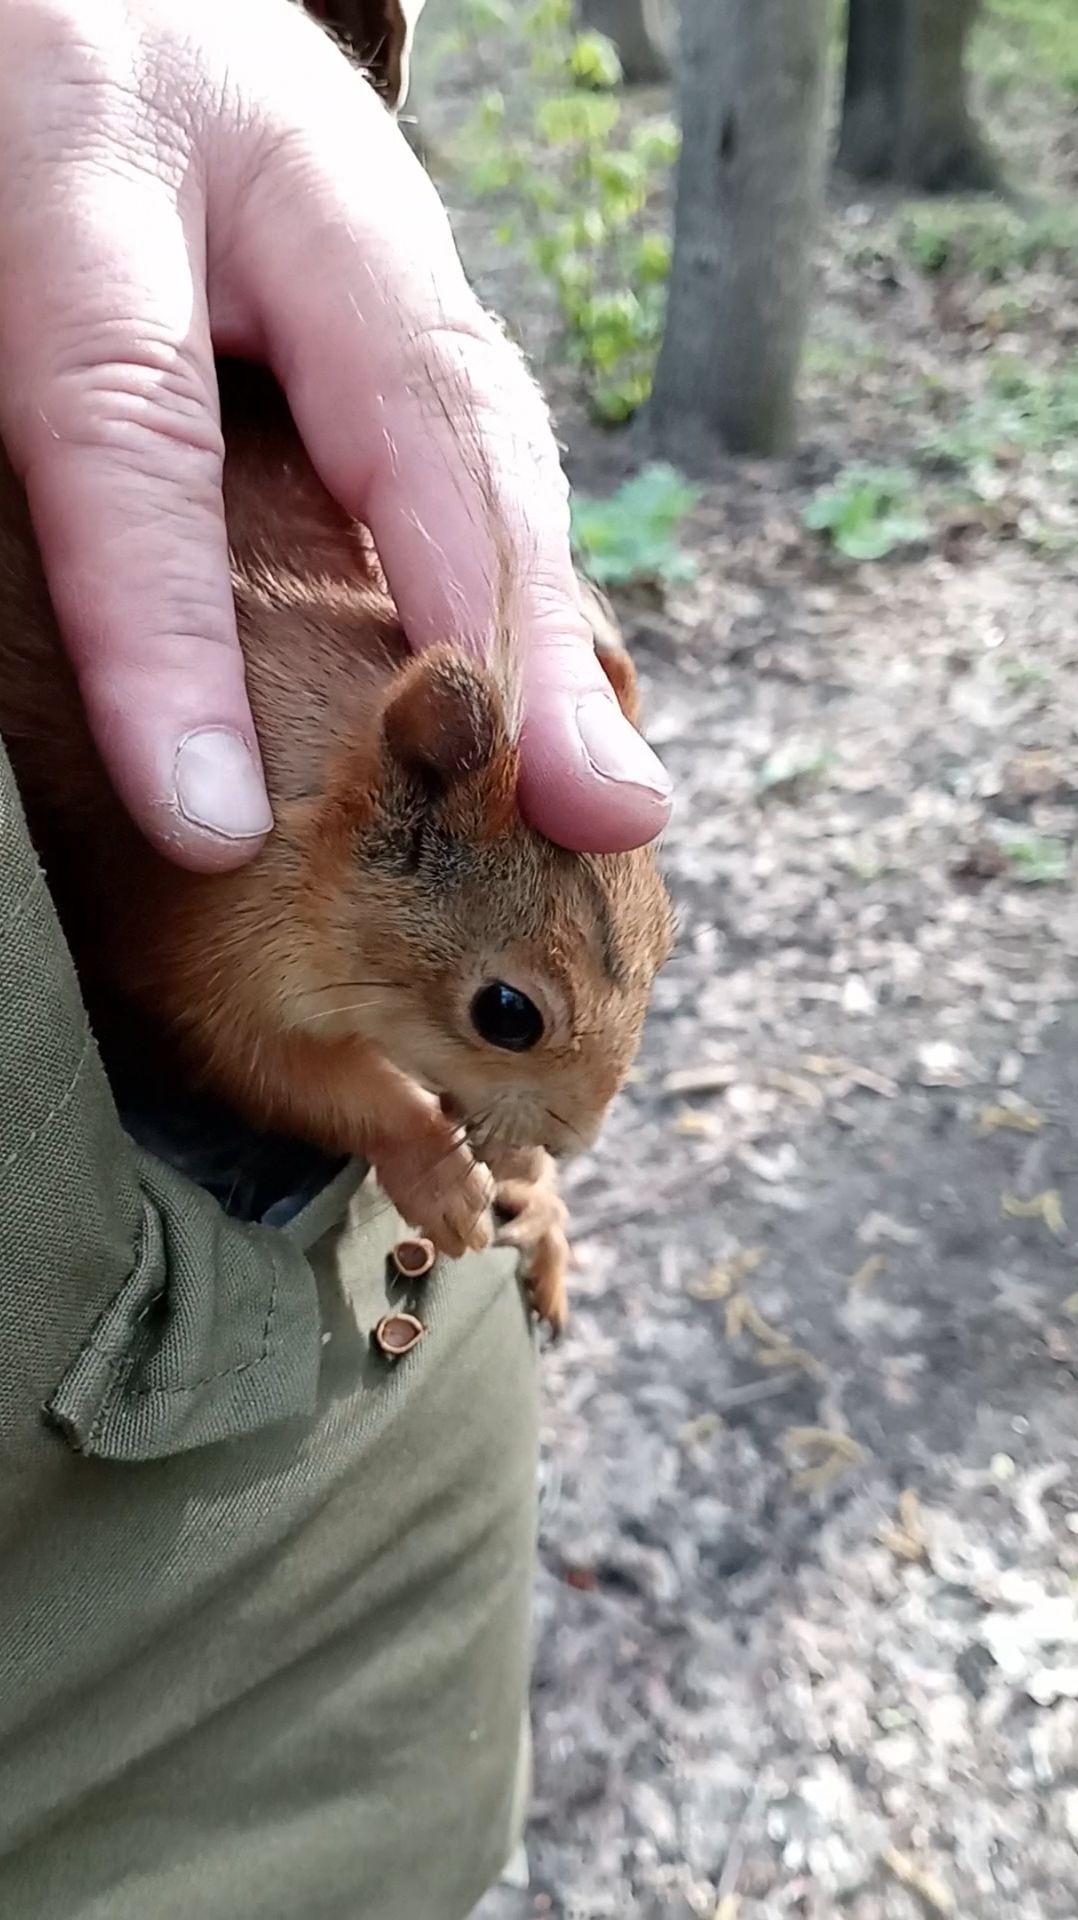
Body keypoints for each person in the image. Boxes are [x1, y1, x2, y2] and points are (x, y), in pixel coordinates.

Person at [0, 2, 671, 1916]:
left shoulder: (368, 891)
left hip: (317, 1579)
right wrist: (400, 1125)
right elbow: (231, 1017)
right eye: (515, 1026)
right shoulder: (295, 908)